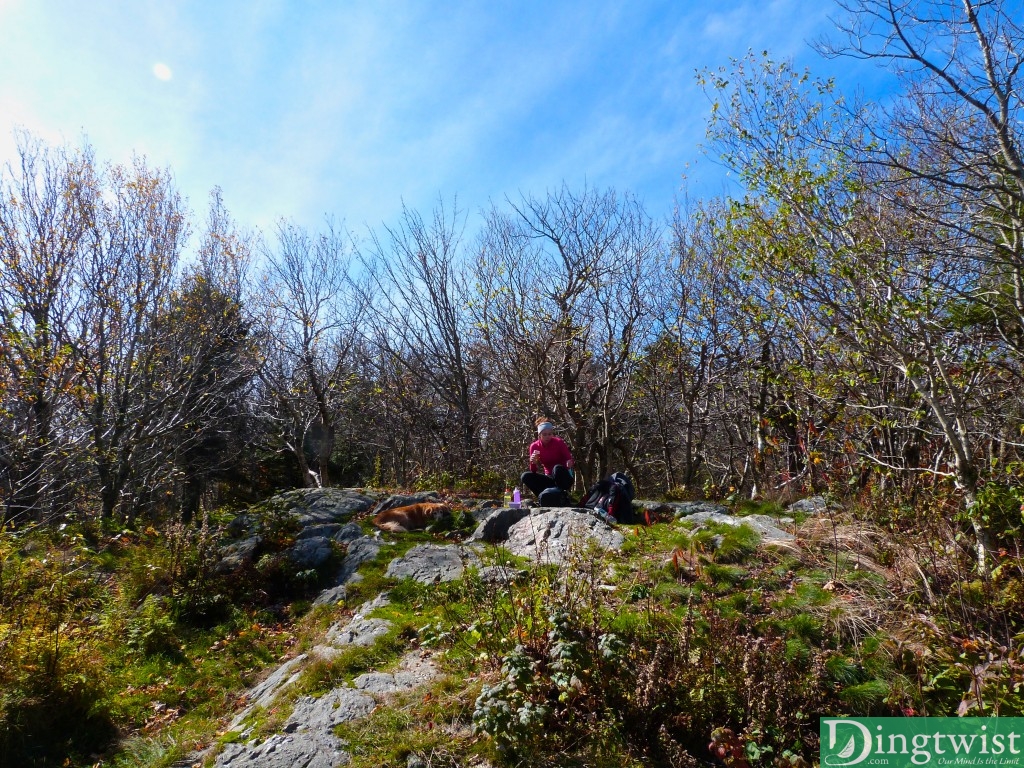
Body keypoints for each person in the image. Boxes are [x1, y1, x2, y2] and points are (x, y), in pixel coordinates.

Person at [520, 417, 575, 500]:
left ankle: (563, 495)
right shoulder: (534, 446)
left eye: (549, 434)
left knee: (557, 468)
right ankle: (543, 497)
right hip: (550, 478)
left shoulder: (558, 442)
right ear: (539, 436)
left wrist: (569, 463)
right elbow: (533, 470)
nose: (547, 437)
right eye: (544, 434)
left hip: (564, 477)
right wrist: (533, 462)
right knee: (525, 476)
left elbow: (569, 459)